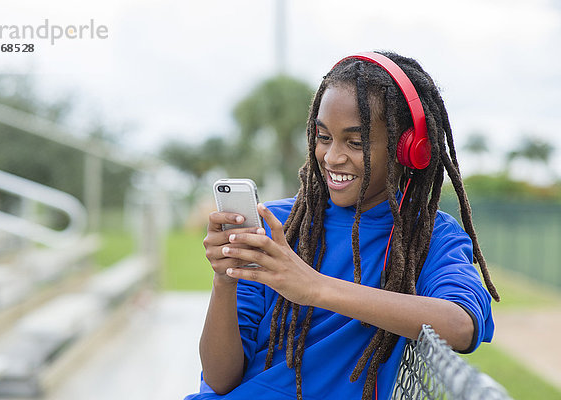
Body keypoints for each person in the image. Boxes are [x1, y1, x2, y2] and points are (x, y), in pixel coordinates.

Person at [185, 51, 498, 400]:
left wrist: (313, 287)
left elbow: (461, 326)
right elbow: (220, 380)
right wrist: (223, 281)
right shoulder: (278, 227)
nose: (332, 157)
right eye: (323, 137)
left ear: (409, 148)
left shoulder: (431, 237)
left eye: (356, 142)